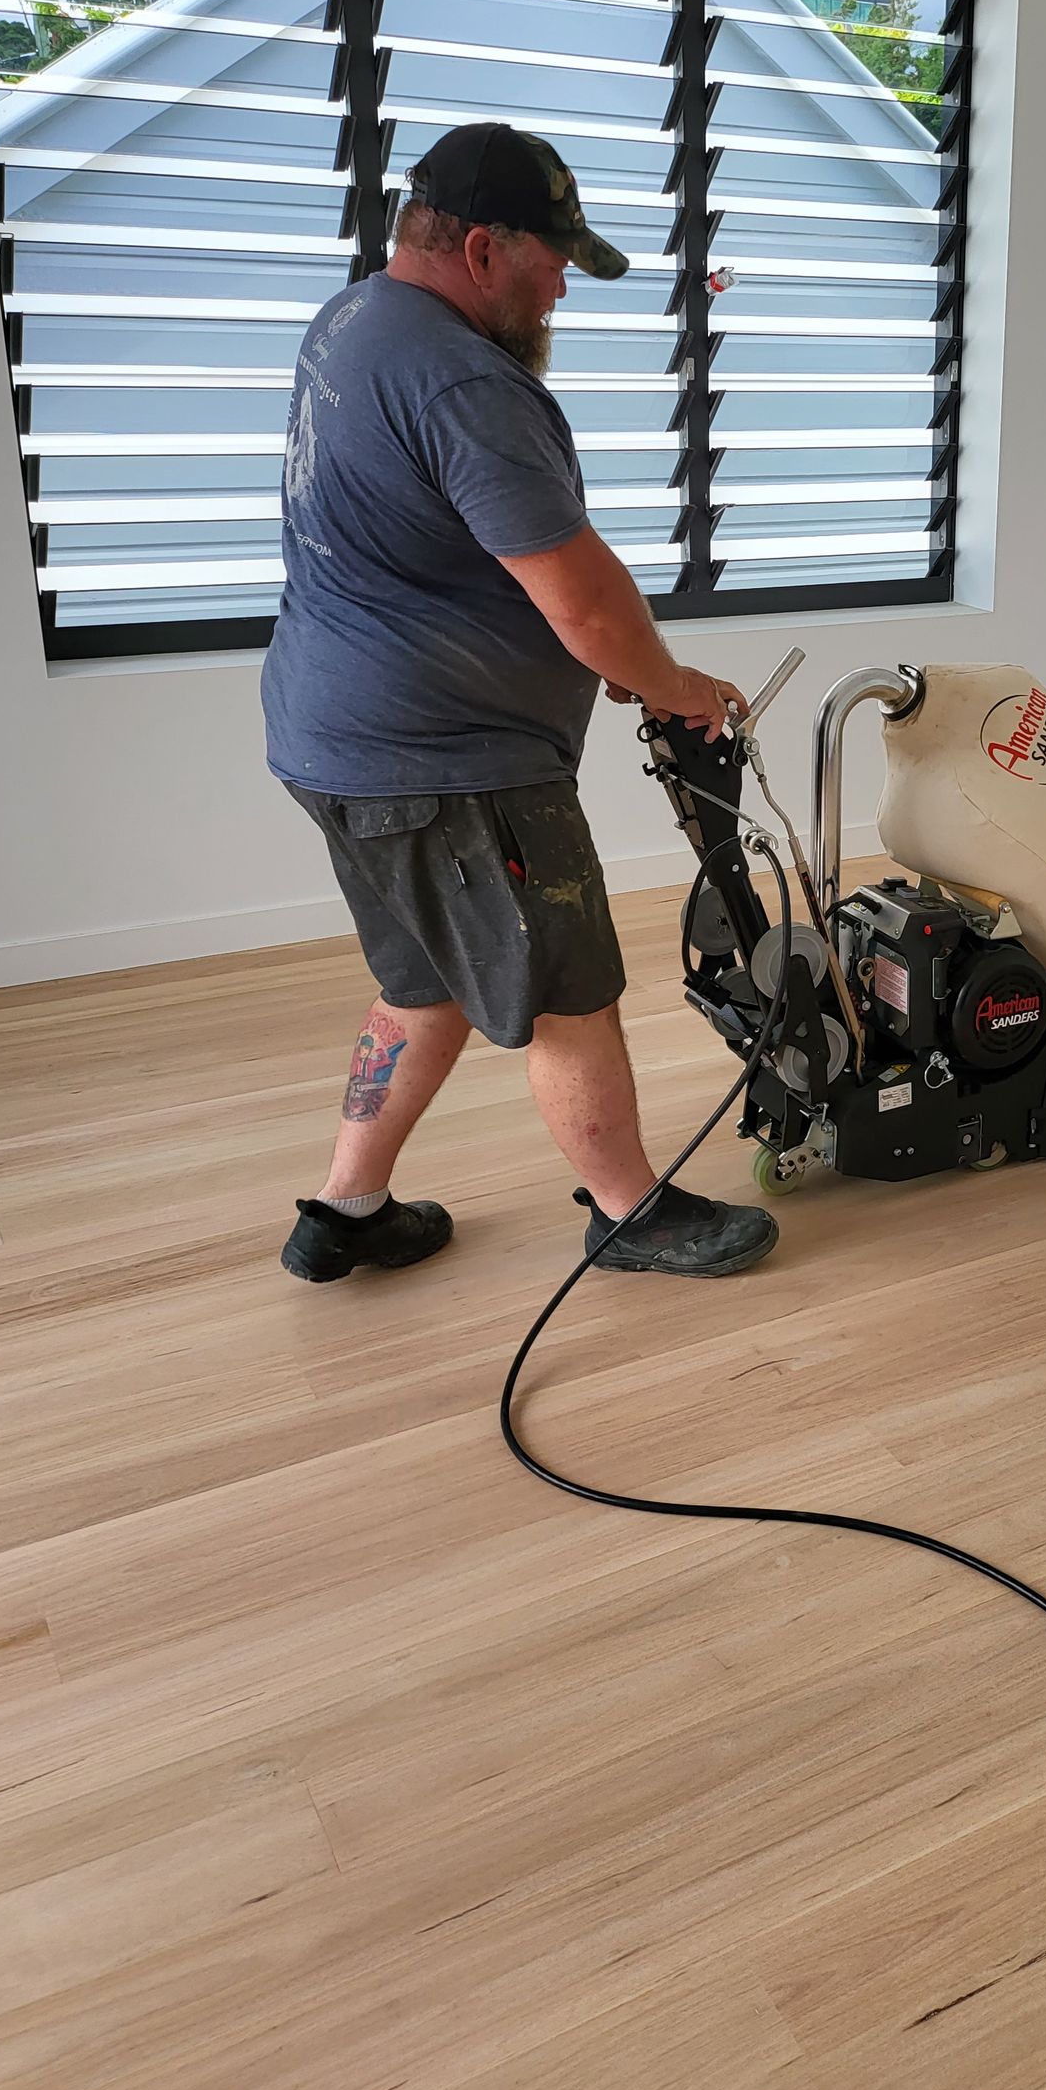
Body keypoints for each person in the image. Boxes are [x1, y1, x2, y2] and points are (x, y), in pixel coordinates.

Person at [260, 122, 778, 1285]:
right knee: (565, 983)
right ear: (482, 249)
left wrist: (609, 658)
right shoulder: (462, 378)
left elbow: (448, 543)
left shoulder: (352, 322)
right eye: (550, 264)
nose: (560, 291)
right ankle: (630, 1208)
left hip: (332, 739)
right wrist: (677, 685)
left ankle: (345, 1208)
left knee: (427, 979)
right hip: (449, 759)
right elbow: (583, 600)